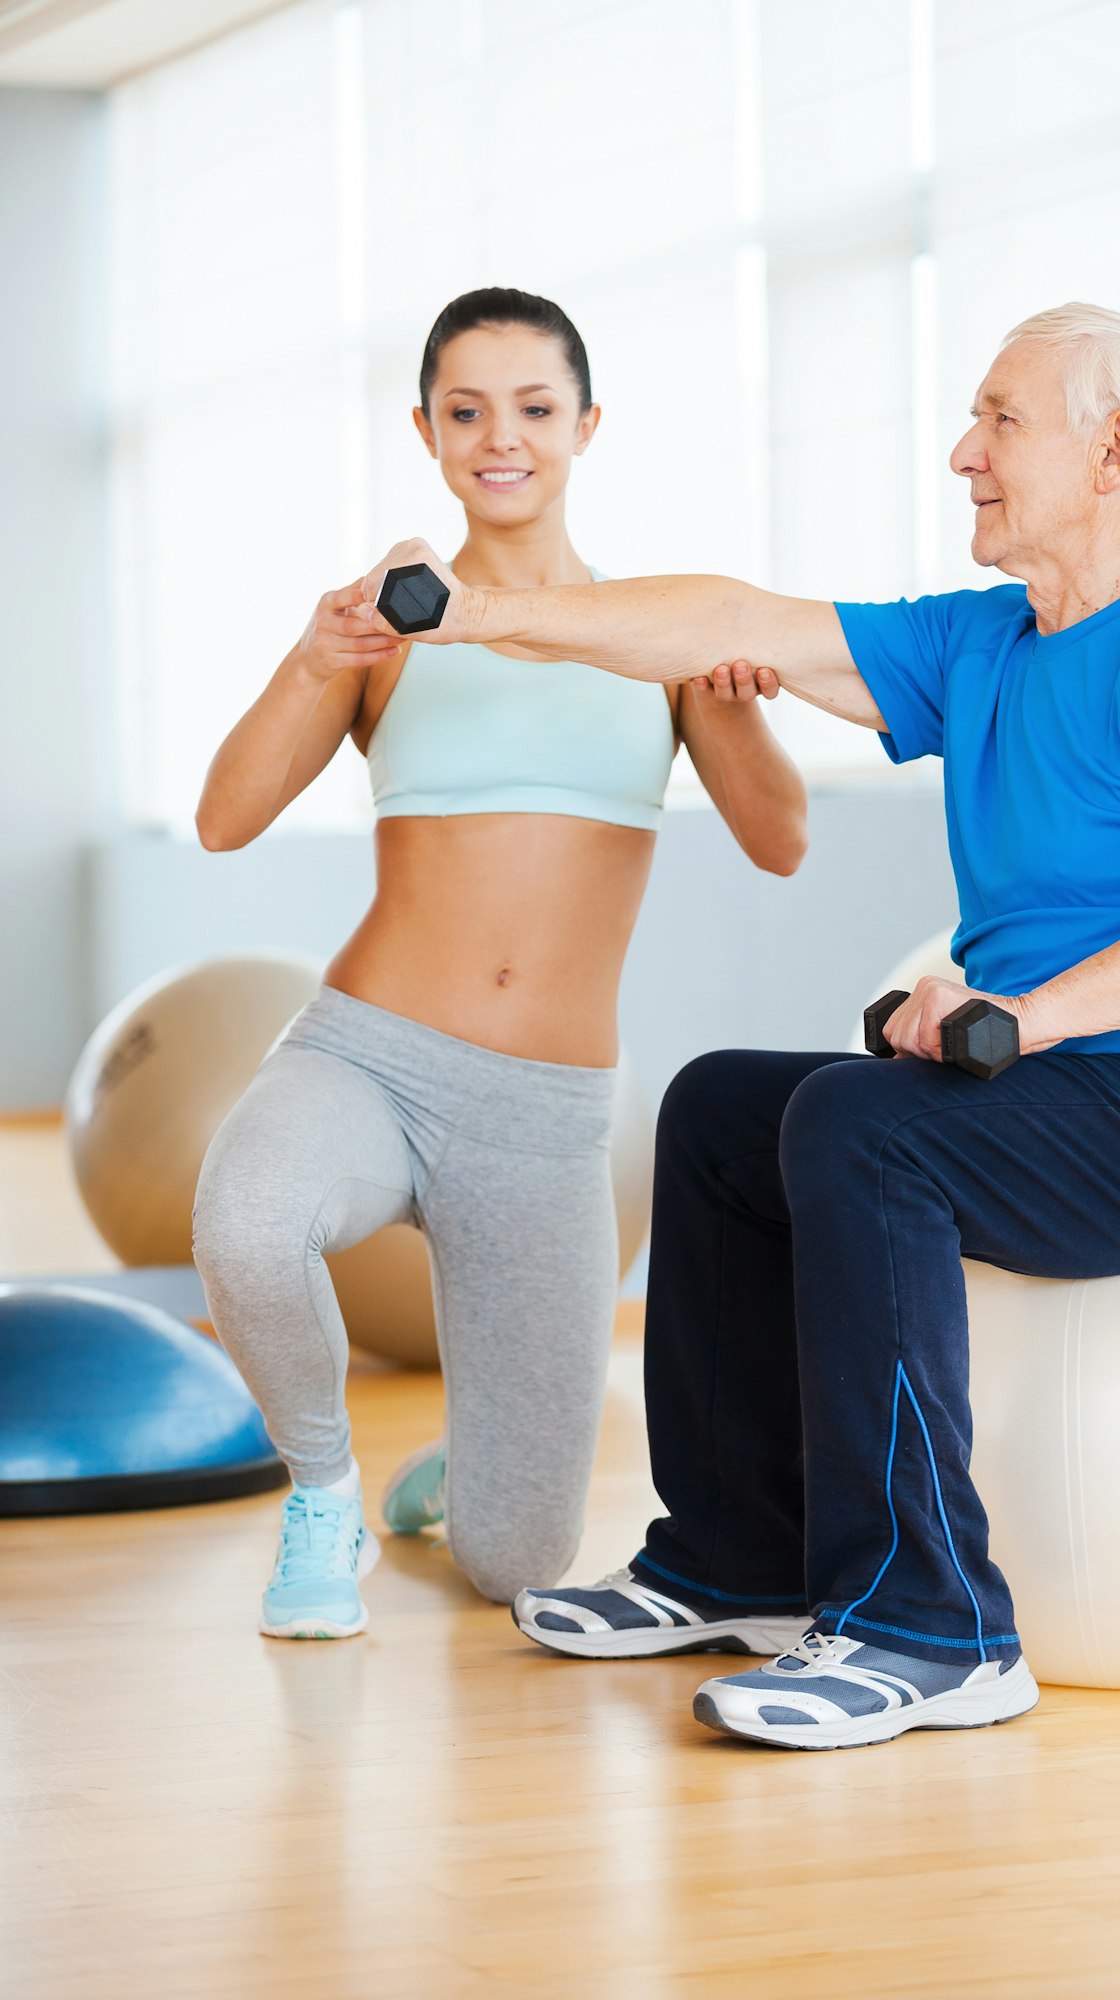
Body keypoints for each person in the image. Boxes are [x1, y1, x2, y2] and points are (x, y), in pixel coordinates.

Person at [356, 301, 1120, 1749]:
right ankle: (736, 1553)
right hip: (1079, 1075)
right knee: (722, 1111)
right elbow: (733, 622)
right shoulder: (986, 644)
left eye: (1000, 421)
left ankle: (932, 1627)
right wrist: (484, 613)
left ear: (1113, 449)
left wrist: (1031, 1014)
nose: (962, 453)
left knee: (868, 1130)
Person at [191, 287, 808, 1641]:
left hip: (541, 1117)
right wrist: (312, 659)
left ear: (588, 425)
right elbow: (224, 817)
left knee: (514, 1566)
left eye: (534, 407)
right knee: (243, 1221)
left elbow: (781, 843)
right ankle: (322, 1491)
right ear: (427, 430)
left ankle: (467, 1478)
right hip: (368, 1052)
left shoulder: (655, 633)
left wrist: (730, 707)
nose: (501, 437)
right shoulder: (389, 629)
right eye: (466, 410)